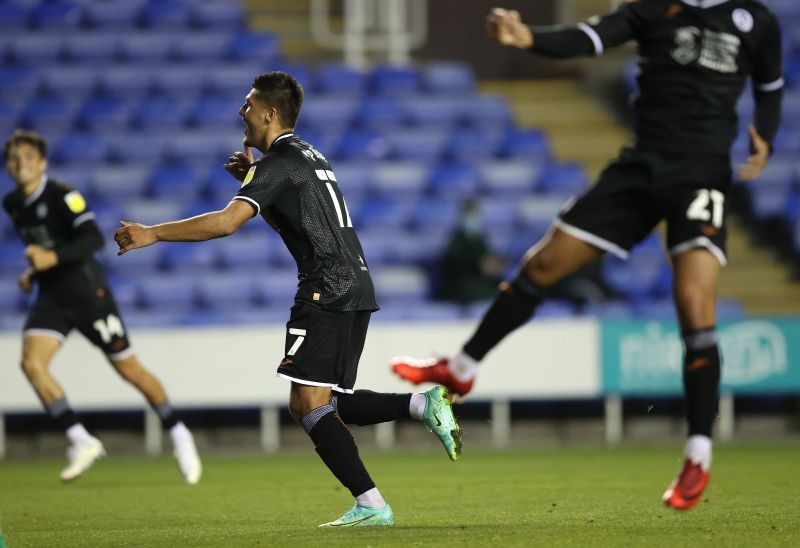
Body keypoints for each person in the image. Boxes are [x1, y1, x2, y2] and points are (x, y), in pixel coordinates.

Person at [392, 1, 782, 511]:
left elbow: (770, 86)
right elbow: (589, 38)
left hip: (702, 177)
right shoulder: (653, 10)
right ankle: (462, 368)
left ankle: (698, 454)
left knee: (694, 305)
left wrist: (766, 133)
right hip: (639, 170)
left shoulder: (756, 19)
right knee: (542, 265)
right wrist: (529, 38)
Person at [114, 71, 463, 527]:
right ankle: (422, 405)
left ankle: (373, 506)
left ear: (270, 113)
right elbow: (301, 221)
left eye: (248, 105)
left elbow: (224, 223)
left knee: (307, 404)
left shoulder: (278, 163)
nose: (242, 113)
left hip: (325, 289)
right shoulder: (309, 155)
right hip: (355, 284)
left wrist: (153, 232)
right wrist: (260, 185)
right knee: (331, 401)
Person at [2, 129, 202, 484]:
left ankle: (179, 432)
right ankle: (81, 439)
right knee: (31, 363)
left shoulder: (64, 196)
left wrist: (49, 257)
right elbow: (46, 248)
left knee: (130, 371)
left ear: (42, 163)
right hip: (51, 297)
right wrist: (35, 271)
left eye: (28, 159)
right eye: (14, 160)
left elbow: (92, 238)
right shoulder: (13, 203)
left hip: (87, 293)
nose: (20, 166)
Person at [435, 199, 504, 305]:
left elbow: (488, 261)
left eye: (474, 215)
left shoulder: (480, 238)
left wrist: (494, 266)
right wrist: (479, 265)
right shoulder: (456, 240)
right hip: (459, 286)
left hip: (478, 282)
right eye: (468, 215)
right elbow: (454, 264)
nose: (471, 219)